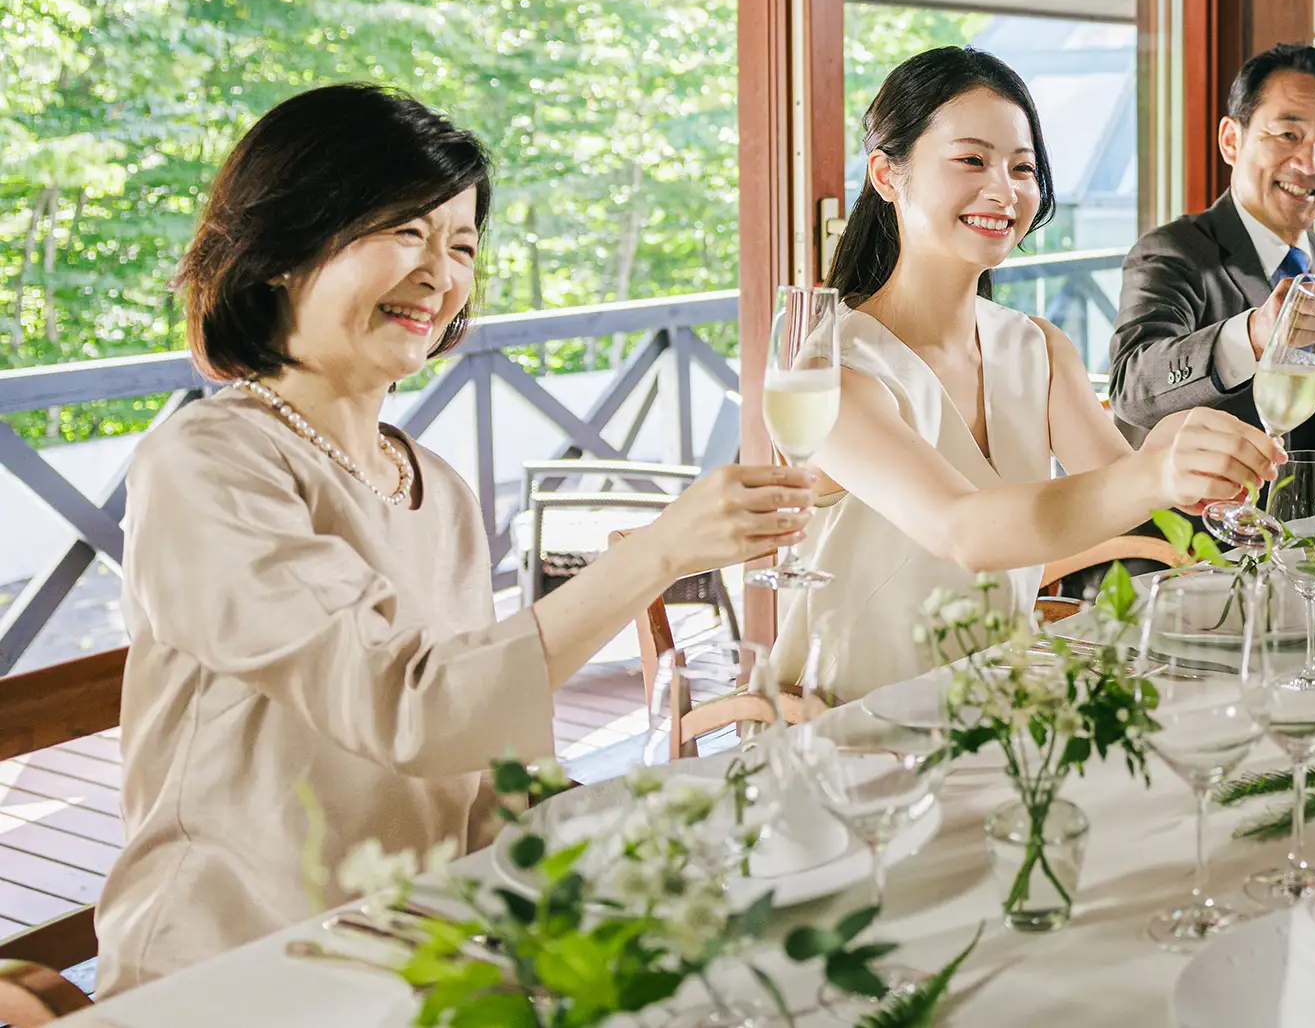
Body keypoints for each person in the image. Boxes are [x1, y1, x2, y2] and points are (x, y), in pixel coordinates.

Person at [99, 85, 816, 992]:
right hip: (239, 970)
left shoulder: (434, 486)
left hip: (427, 949)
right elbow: (411, 709)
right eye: (405, 231)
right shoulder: (205, 462)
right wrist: (658, 553)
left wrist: (659, 836)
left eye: (463, 245)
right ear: (282, 248)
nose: (440, 273)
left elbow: (488, 773)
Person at [773, 47, 1276, 703]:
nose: (1004, 190)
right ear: (887, 175)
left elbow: (1117, 495)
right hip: (845, 721)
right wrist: (1153, 474)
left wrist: (1174, 450)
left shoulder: (1036, 347)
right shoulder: (832, 373)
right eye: (971, 160)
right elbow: (962, 529)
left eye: (1022, 168)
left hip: (1002, 710)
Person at [1109, 43, 1315, 455]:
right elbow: (1133, 387)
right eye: (1288, 135)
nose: (1311, 164)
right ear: (1231, 141)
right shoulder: (1173, 252)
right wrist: (1255, 334)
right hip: (1207, 498)